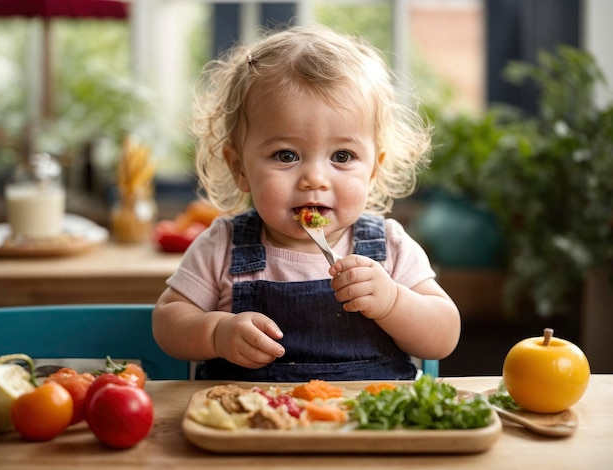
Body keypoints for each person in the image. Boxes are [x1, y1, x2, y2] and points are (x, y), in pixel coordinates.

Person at [152, 25, 460, 381]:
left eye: (342, 156)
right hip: (249, 427)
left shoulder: (389, 247)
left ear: (374, 169)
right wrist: (216, 333)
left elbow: (444, 335)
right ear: (240, 168)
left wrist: (392, 301)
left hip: (370, 431)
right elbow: (167, 321)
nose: (315, 178)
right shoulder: (221, 245)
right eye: (286, 155)